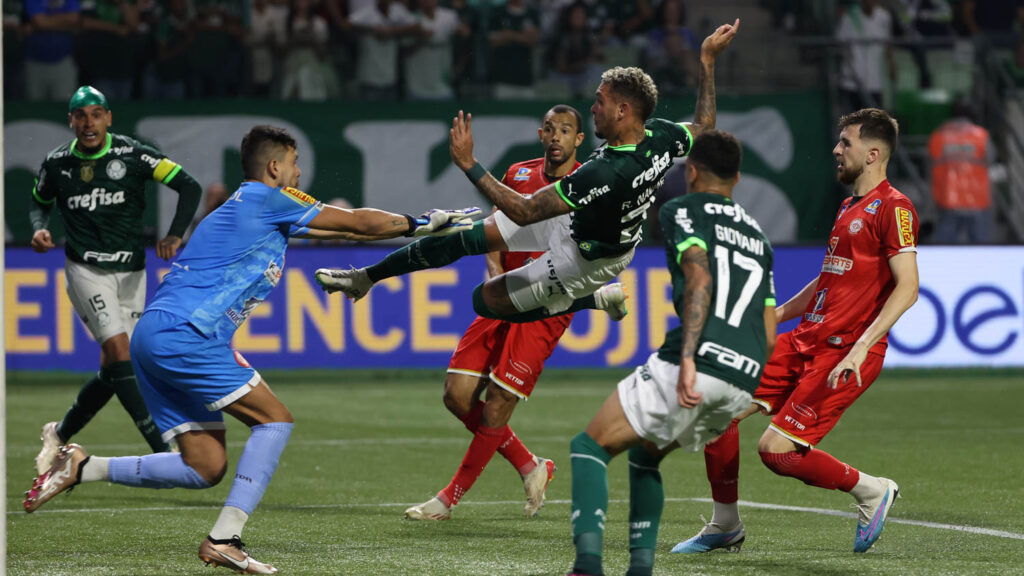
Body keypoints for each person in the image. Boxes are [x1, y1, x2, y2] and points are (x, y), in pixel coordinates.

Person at [24, 125, 479, 574]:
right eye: (295, 164)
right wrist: (422, 223)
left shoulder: (236, 208)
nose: (299, 173)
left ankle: (83, 467)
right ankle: (224, 539)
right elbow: (359, 224)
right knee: (274, 420)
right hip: (187, 335)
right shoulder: (268, 199)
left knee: (205, 465)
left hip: (154, 336)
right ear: (275, 167)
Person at [315, 19, 742, 327]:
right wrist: (707, 61)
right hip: (583, 221)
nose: (593, 107)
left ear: (622, 110)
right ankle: (365, 279)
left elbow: (522, 210)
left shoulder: (609, 171)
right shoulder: (662, 135)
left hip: (589, 259)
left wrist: (469, 164)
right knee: (464, 238)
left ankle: (592, 298)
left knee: (485, 301)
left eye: (599, 101)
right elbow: (703, 128)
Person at [675, 108, 919, 555]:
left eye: (845, 142)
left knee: (777, 452)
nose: (836, 149)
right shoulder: (849, 207)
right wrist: (776, 314)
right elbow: (830, 278)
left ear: (873, 153)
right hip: (805, 340)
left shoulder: (895, 207)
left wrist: (861, 348)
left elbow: (908, 288)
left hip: (842, 353)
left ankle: (870, 490)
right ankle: (724, 525)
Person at [566, 130, 776, 576]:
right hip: (745, 379)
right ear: (737, 177)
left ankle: (586, 566)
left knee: (589, 447)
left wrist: (687, 358)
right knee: (646, 456)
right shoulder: (759, 236)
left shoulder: (680, 208)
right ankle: (640, 568)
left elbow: (698, 276)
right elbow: (770, 328)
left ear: (692, 171)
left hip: (698, 359)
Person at [404, 105, 585, 521]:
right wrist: (493, 263)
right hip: (505, 293)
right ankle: (530, 464)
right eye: (550, 129)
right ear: (541, 134)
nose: (556, 136)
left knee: (499, 402)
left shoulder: (587, 184)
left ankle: (447, 500)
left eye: (566, 130)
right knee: (456, 395)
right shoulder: (519, 173)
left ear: (579, 139)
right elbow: (496, 223)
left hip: (546, 304)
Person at [29, 86, 203, 476]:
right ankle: (164, 448)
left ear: (108, 118)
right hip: (86, 270)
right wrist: (40, 229)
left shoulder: (135, 154)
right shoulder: (57, 163)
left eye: (96, 114)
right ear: (70, 121)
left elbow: (188, 185)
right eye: (81, 116)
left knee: (118, 367)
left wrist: (175, 234)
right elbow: (39, 202)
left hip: (133, 272)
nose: (88, 123)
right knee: (122, 355)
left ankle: (59, 435)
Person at [928, 99, 993, 244]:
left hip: (947, 199)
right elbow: (991, 160)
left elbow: (930, 165)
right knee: (981, 249)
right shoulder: (982, 136)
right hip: (978, 200)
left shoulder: (939, 136)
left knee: (944, 249)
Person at [836, 0, 896, 111]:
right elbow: (841, 44)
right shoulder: (850, 17)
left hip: (874, 82)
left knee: (873, 122)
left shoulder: (884, 17)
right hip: (852, 82)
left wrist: (891, 64)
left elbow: (888, 44)